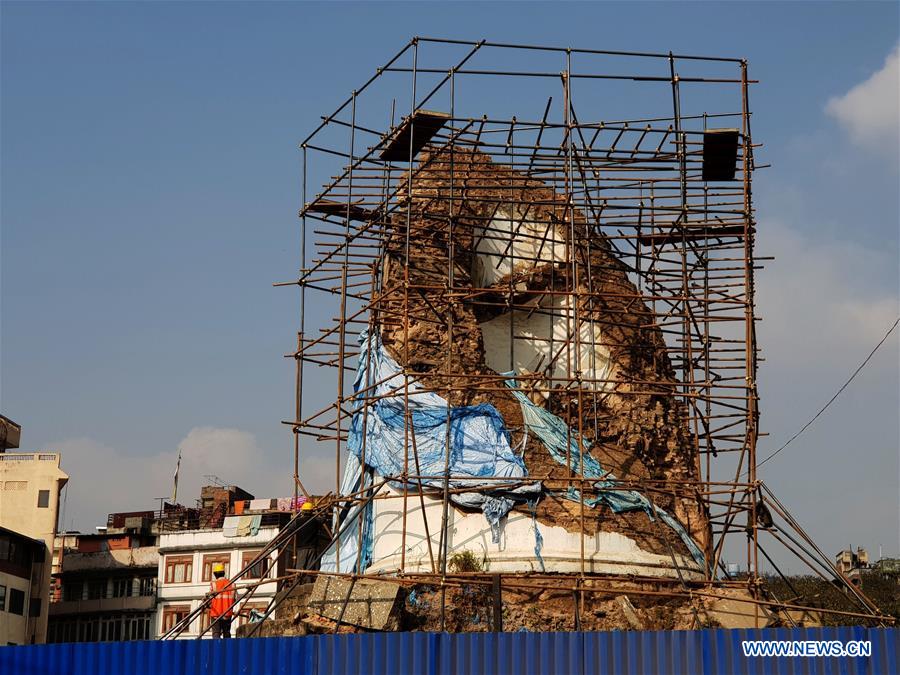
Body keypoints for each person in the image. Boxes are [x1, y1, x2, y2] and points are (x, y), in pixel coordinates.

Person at [207, 563, 236, 638]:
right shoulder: (232, 584)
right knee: (226, 633)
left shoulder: (214, 584)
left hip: (216, 614)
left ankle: (216, 648)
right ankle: (228, 648)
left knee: (216, 633)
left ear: (215, 574)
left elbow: (210, 600)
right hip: (227, 613)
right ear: (224, 573)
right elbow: (234, 600)